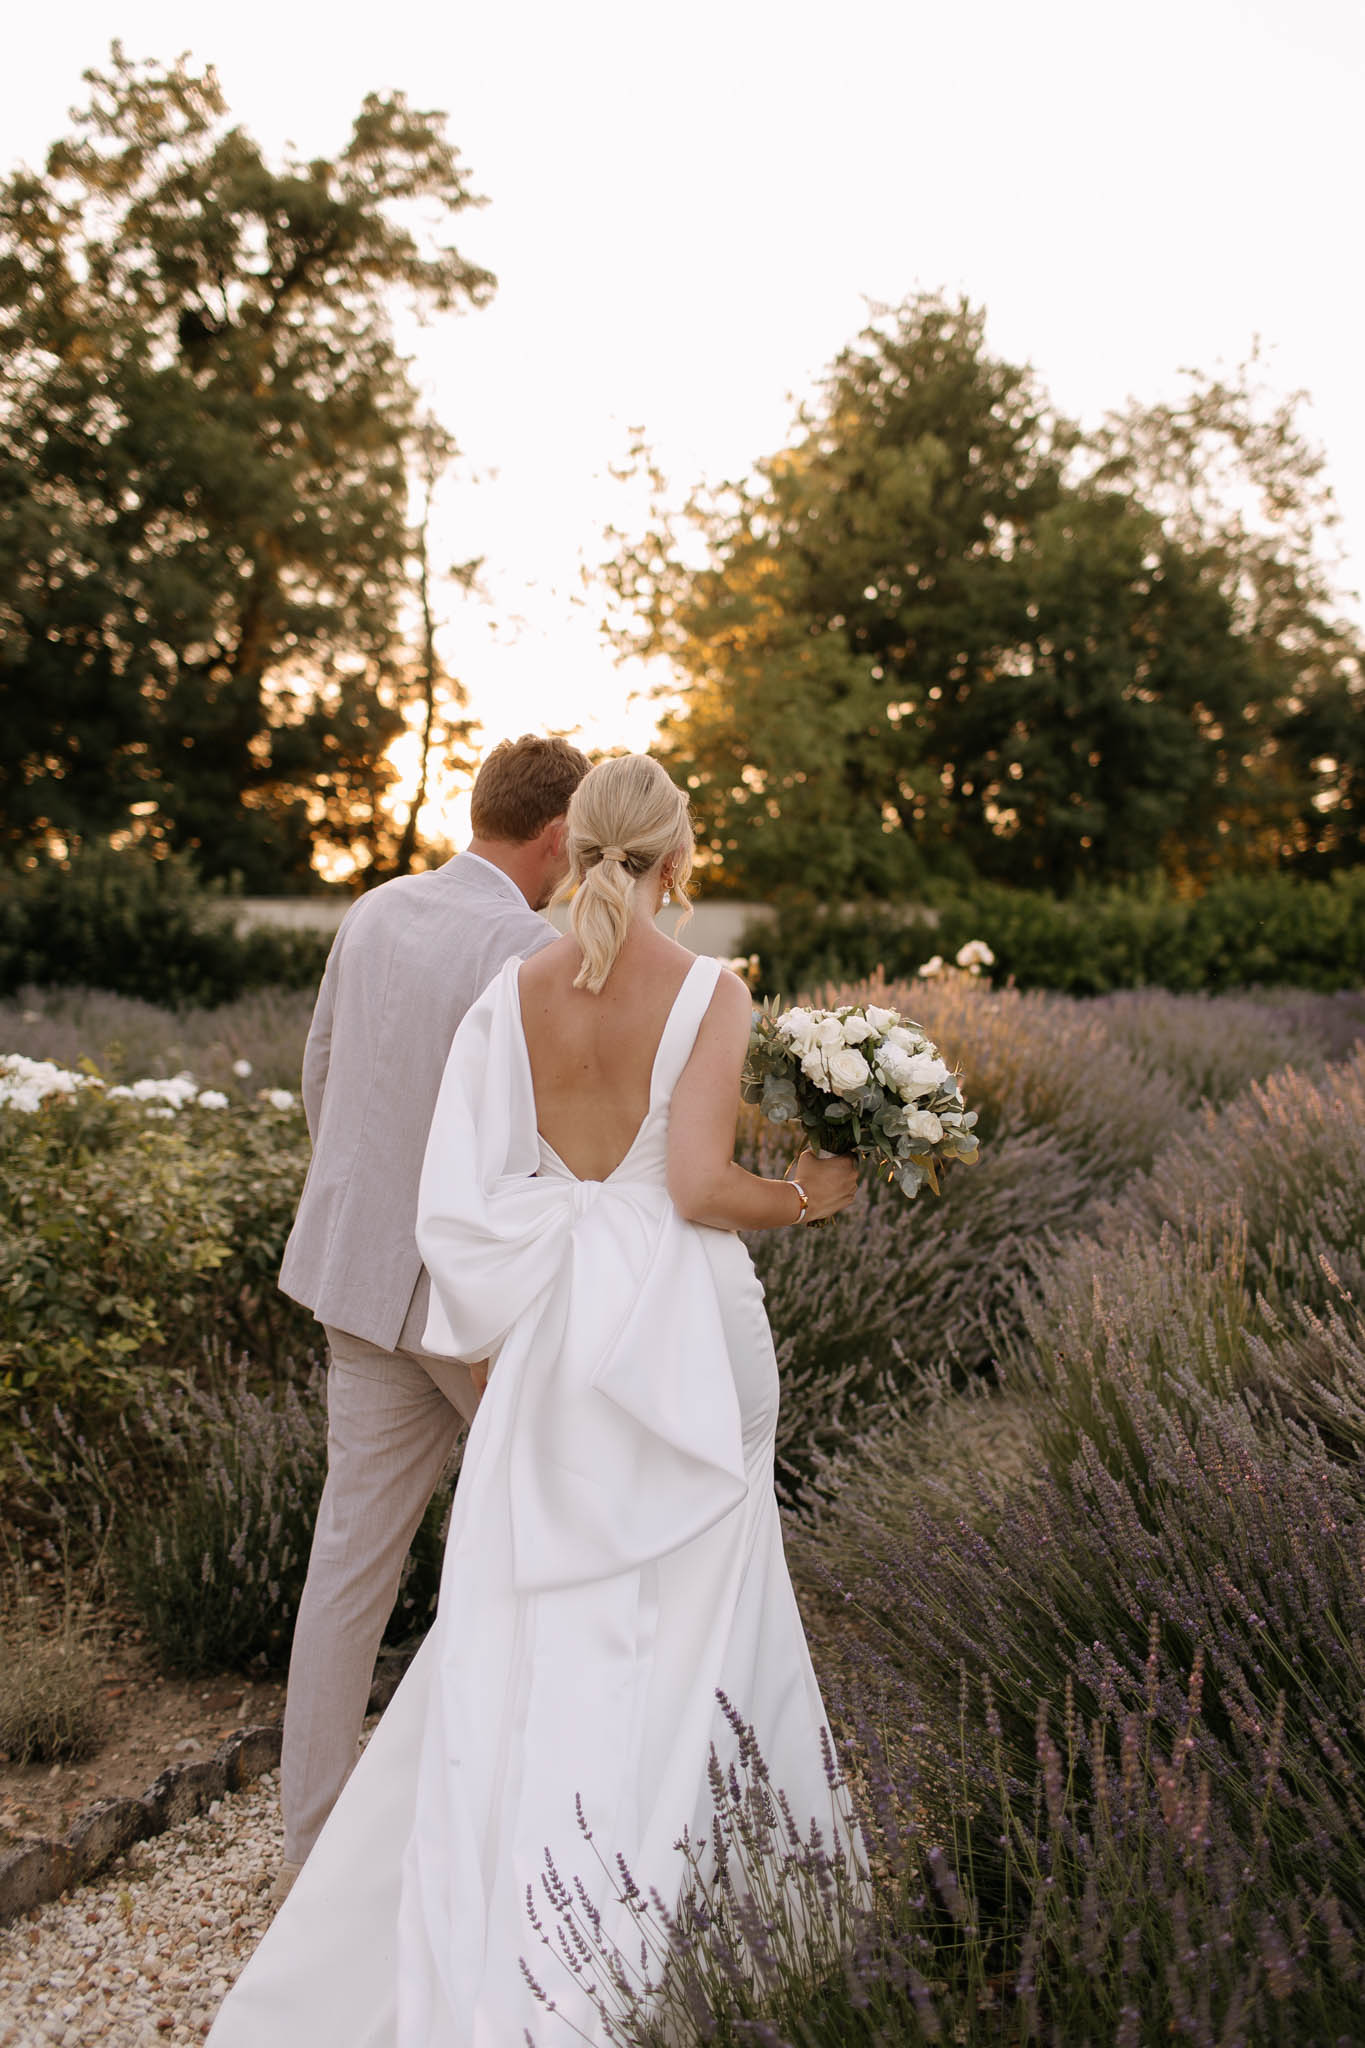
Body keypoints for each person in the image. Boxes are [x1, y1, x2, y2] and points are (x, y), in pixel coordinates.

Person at [209, 753, 859, 2047]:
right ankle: (690, 1887)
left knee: (509, 1597)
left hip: (505, 1315)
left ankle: (447, 1866)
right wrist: (807, 1195)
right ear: (675, 856)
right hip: (671, 1327)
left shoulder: (498, 979)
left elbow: (415, 1148)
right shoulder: (708, 988)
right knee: (695, 1591)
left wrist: (502, 1302)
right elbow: (689, 1186)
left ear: (575, 850)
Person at [271, 733, 590, 1902]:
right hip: (470, 1311)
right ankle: (517, 1816)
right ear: (556, 835)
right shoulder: (525, 948)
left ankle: (311, 1852)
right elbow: (535, 1147)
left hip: (355, 1279)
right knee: (545, 1537)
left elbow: (320, 1073)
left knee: (348, 1561)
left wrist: (363, 1215)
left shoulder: (375, 909)